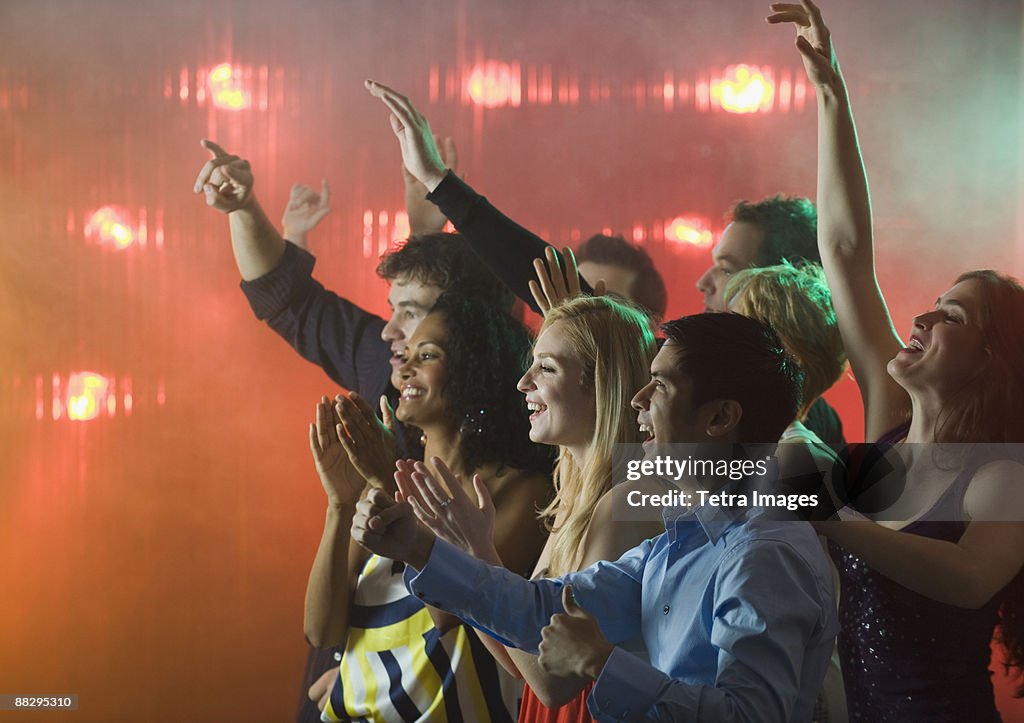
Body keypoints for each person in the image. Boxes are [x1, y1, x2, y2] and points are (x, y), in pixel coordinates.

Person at [355, 312, 839, 721]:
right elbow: (544, 609)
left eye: (660, 385)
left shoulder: (762, 552)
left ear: (718, 418)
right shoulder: (681, 537)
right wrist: (419, 548)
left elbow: (749, 716)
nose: (638, 399)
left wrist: (602, 664)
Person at [191, 142, 516, 721]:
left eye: (412, 313)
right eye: (392, 310)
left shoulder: (522, 459)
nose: (392, 333)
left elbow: (480, 616)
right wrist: (244, 209)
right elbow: (287, 299)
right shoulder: (389, 371)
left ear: (471, 332)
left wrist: (372, 669)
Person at [768, 1, 1024, 719]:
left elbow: (972, 579)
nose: (922, 315)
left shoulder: (1001, 475)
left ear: (988, 360)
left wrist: (830, 518)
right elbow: (845, 254)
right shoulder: (887, 429)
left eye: (953, 315)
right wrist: (829, 94)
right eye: (933, 301)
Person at [364, 79, 845, 445]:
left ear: (783, 278)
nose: (704, 280)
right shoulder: (672, 401)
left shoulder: (807, 446)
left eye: (727, 267)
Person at [400, 291, 658, 722]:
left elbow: (552, 681)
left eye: (547, 367)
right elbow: (520, 664)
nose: (524, 382)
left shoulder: (624, 502)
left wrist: (478, 557)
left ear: (601, 385)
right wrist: (470, 556)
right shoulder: (574, 502)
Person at [307, 293, 552, 722]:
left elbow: (451, 612)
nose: (403, 369)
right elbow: (321, 630)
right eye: (406, 356)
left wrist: (386, 481)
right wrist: (340, 504)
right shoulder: (378, 488)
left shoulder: (520, 491)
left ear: (476, 373)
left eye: (427, 355)